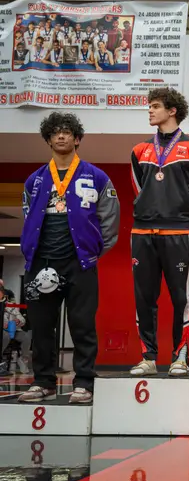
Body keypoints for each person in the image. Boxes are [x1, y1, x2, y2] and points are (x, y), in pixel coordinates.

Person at [18, 112, 120, 404]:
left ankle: (84, 383)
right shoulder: (34, 180)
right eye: (55, 133)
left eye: (67, 132)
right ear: (48, 140)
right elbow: (28, 218)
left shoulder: (97, 177)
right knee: (41, 326)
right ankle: (43, 383)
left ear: (77, 139)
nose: (61, 136)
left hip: (80, 263)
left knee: (82, 325)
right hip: (41, 263)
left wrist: (91, 252)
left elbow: (110, 220)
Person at [129, 88, 189, 376]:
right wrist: (150, 210)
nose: (150, 111)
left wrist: (180, 219)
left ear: (172, 110)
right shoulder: (139, 150)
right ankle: (148, 358)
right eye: (149, 106)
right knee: (144, 298)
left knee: (182, 299)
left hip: (178, 233)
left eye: (155, 106)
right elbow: (138, 189)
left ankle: (180, 357)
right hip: (142, 232)